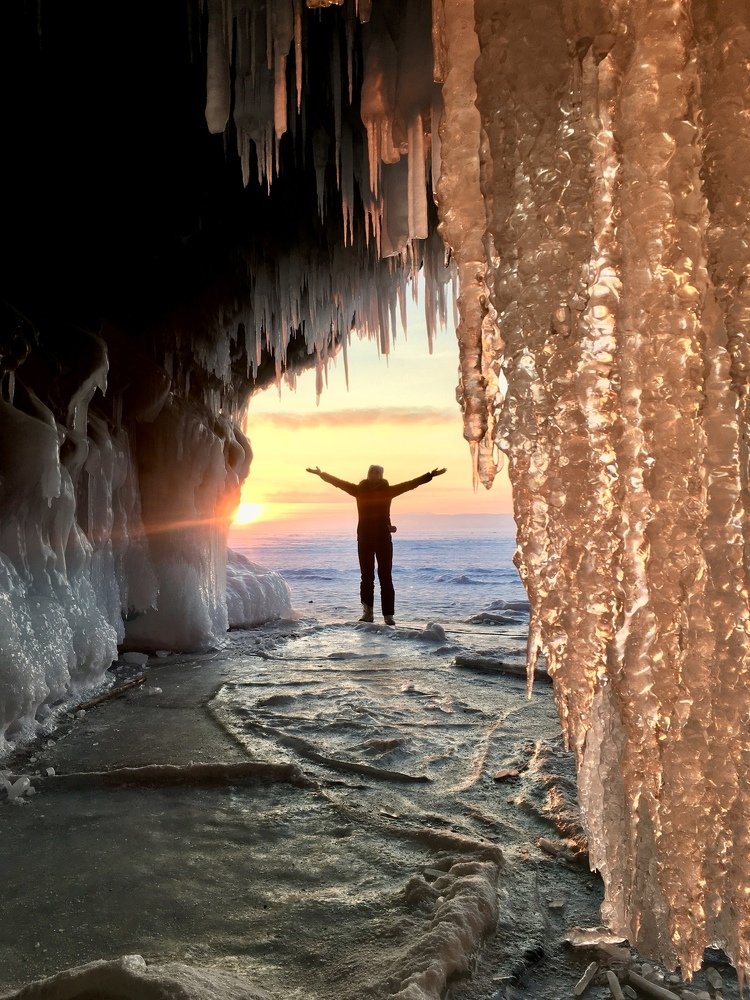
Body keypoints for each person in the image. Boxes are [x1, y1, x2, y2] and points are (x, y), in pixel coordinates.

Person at [306, 463, 447, 625]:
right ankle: (368, 613)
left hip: (383, 539)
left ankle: (388, 615)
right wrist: (321, 474)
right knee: (366, 577)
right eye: (371, 472)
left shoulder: (388, 491)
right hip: (364, 539)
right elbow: (339, 483)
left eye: (377, 473)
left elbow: (410, 485)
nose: (373, 475)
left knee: (385, 577)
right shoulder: (358, 490)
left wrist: (429, 475)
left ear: (381, 475)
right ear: (368, 474)